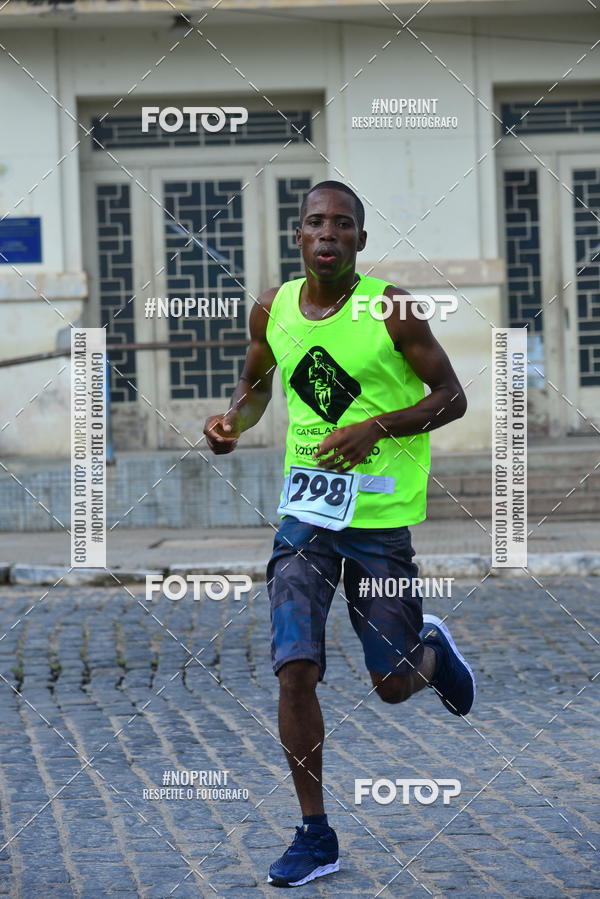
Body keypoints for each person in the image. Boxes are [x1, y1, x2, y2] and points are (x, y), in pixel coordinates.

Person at [203, 180, 475, 888]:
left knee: (388, 682)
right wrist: (233, 421)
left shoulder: (390, 308)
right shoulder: (274, 305)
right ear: (298, 236)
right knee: (295, 667)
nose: (327, 233)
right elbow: (256, 384)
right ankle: (314, 833)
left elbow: (452, 396)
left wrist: (374, 426)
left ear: (359, 239)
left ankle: (429, 653)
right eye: (315, 223)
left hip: (379, 523)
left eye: (342, 224)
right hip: (305, 517)